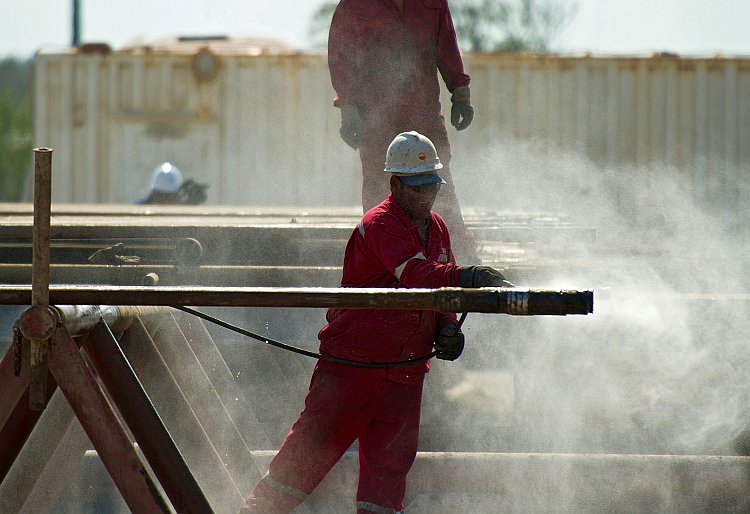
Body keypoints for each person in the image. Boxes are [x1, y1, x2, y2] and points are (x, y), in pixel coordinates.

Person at [240, 132, 508, 514]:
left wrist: (447, 326)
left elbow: (436, 294)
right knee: (301, 463)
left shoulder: (438, 227)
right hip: (353, 369)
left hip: (404, 373)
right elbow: (416, 274)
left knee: (386, 484)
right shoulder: (379, 224)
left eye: (431, 185)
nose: (427, 195)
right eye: (418, 187)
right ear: (395, 184)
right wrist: (469, 276)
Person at [328, 0, 479, 264]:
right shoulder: (353, 5)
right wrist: (348, 108)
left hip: (424, 115)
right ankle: (380, 266)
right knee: (380, 187)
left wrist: (460, 91)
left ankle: (458, 266)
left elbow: (447, 43)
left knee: (439, 187)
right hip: (376, 119)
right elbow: (341, 55)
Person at [136, 162, 209, 205]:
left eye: (168, 196)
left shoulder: (180, 208)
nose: (164, 200)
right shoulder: (140, 208)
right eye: (161, 195)